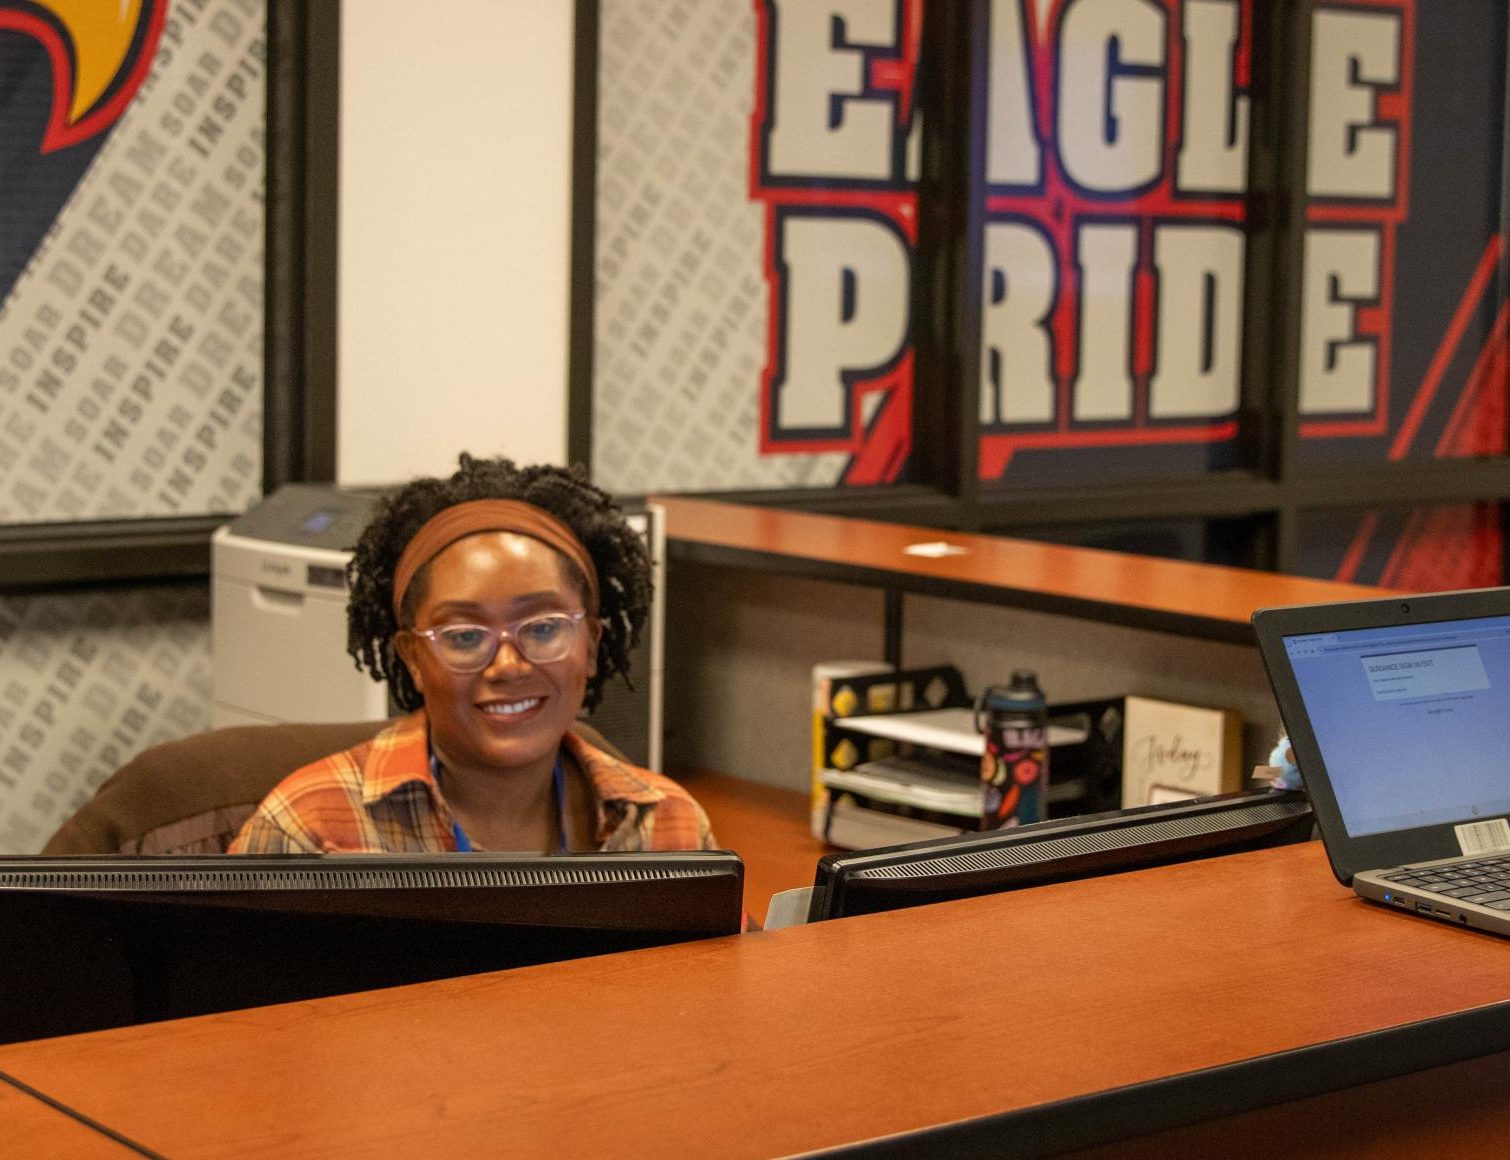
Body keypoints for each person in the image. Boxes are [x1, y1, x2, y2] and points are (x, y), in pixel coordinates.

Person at [230, 455, 717, 854]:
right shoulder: (310, 831)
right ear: (413, 659)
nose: (508, 665)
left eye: (544, 628)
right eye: (465, 636)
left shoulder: (667, 828)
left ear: (590, 643)